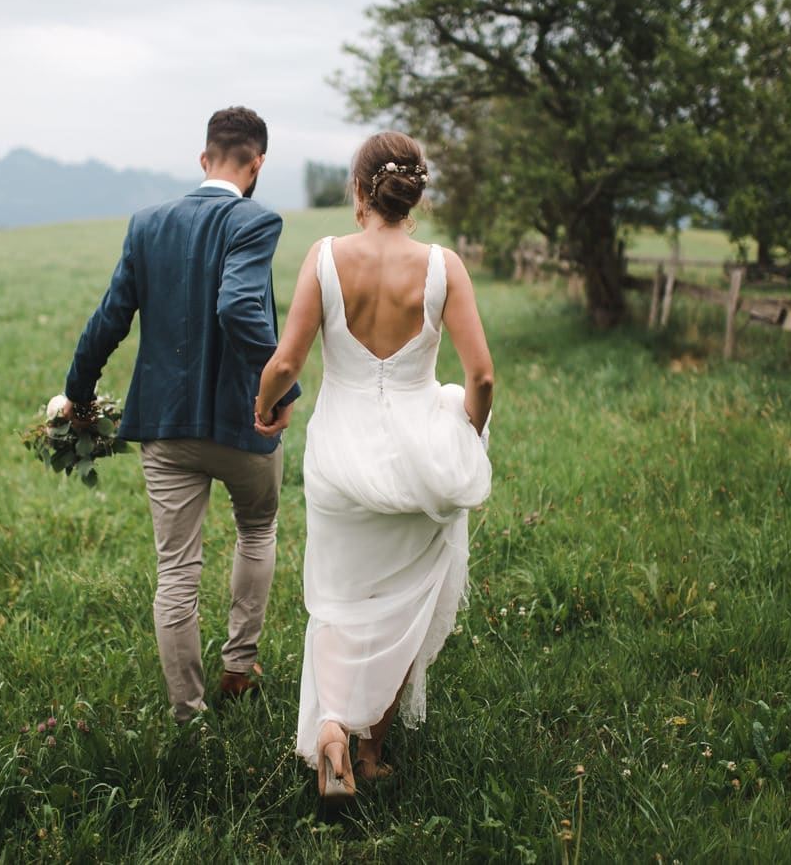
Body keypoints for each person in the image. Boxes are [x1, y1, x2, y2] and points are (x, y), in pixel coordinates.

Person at [253, 131, 494, 805]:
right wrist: (465, 436)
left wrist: (267, 407)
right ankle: (373, 749)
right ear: (415, 192)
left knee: (338, 600)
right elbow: (481, 375)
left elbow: (286, 363)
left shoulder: (326, 257)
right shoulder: (444, 266)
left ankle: (330, 728)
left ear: (359, 191)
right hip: (420, 464)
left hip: (339, 458)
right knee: (403, 606)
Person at [63, 106, 301, 723]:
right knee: (257, 531)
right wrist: (285, 392)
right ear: (258, 164)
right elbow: (239, 308)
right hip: (246, 422)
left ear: (204, 159)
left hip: (165, 427)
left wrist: (78, 394)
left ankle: (188, 713)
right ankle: (239, 670)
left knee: (176, 571)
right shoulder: (256, 219)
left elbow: (109, 319)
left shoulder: (147, 224)